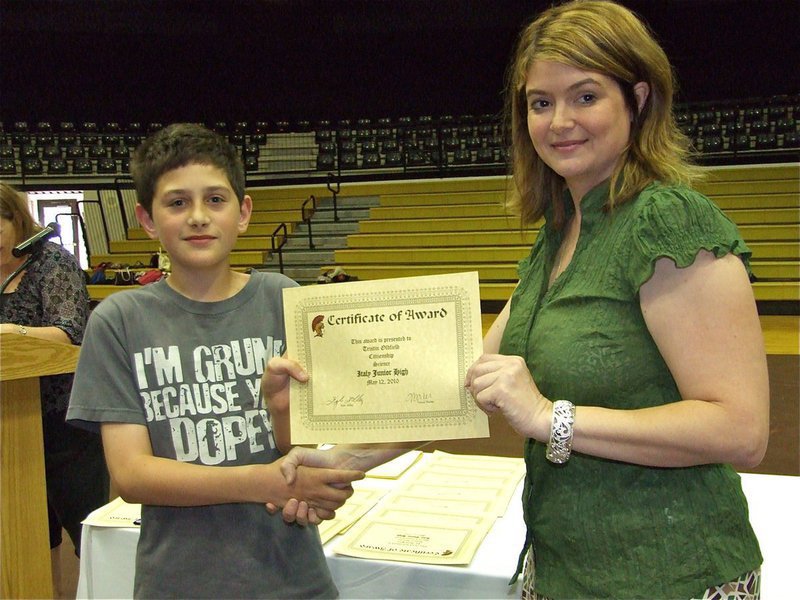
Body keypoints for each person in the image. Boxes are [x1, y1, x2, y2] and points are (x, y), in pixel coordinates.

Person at [463, 2, 769, 599]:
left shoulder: (666, 220)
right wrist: (337, 457)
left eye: (585, 96)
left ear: (638, 100)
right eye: (540, 103)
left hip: (672, 579)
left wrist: (551, 418)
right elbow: (467, 377)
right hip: (561, 571)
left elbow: (741, 428)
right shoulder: (559, 231)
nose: (559, 122)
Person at [66, 123, 368, 599]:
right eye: (177, 202)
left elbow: (300, 449)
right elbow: (131, 475)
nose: (198, 217)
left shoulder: (284, 299)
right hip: (177, 584)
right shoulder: (118, 321)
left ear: (243, 212)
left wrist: (283, 412)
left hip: (292, 579)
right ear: (147, 219)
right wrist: (262, 483)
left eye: (215, 199)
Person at [0, 183, 109, 578]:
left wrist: (12, 331)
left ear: (16, 219)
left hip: (66, 422)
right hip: (12, 425)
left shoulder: (52, 262)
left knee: (86, 530)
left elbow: (69, 333)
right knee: (28, 533)